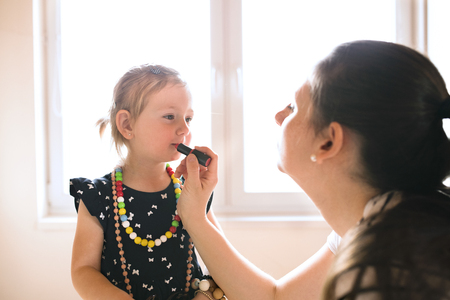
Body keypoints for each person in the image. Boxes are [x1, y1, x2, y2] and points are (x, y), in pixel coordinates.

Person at [175, 40, 450, 299]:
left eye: (293, 107)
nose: (279, 116)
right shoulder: (380, 222)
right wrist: (197, 217)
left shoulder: (392, 263)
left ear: (328, 141)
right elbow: (277, 298)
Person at [70, 64, 225, 300]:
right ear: (128, 125)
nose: (184, 128)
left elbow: (222, 262)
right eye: (170, 117)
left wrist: (207, 296)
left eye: (188, 119)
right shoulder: (97, 196)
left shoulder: (190, 191)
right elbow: (83, 271)